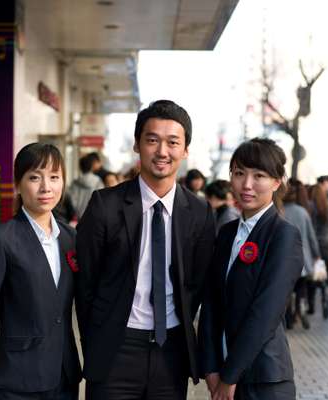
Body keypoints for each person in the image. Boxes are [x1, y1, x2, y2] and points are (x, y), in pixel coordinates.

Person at [76, 100, 215, 400]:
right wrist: (97, 343)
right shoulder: (105, 205)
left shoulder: (200, 212)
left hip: (172, 353)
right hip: (116, 350)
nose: (162, 151)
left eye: (173, 142)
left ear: (185, 149)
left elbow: (198, 284)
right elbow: (85, 284)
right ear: (138, 145)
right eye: (152, 140)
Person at [0, 143, 81, 400]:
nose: (46, 187)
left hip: (64, 376)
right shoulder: (1, 240)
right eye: (34, 177)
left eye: (54, 177)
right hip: (15, 380)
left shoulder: (71, 238)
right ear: (18, 184)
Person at [199, 138, 303, 400]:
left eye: (259, 176)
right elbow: (211, 302)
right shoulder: (226, 233)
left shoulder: (283, 235)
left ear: (277, 182)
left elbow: (265, 313)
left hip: (264, 380)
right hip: (222, 374)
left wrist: (229, 375)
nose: (246, 185)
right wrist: (210, 366)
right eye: (239, 173)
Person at [283, 178, 321, 329]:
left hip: (284, 258)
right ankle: (301, 308)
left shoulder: (278, 211)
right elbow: (311, 236)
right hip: (303, 258)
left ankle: (289, 316)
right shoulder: (303, 212)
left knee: (286, 290)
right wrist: (317, 254)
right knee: (301, 287)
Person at [308, 182, 328, 318]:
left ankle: (312, 306)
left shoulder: (310, 207)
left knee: (312, 277)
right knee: (324, 275)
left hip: (313, 246)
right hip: (327, 245)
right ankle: (326, 299)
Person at [67, 153, 104, 219]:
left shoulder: (75, 183)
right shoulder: (98, 181)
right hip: (94, 216)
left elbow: (72, 200)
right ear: (91, 167)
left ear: (80, 167)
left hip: (79, 217)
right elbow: (101, 199)